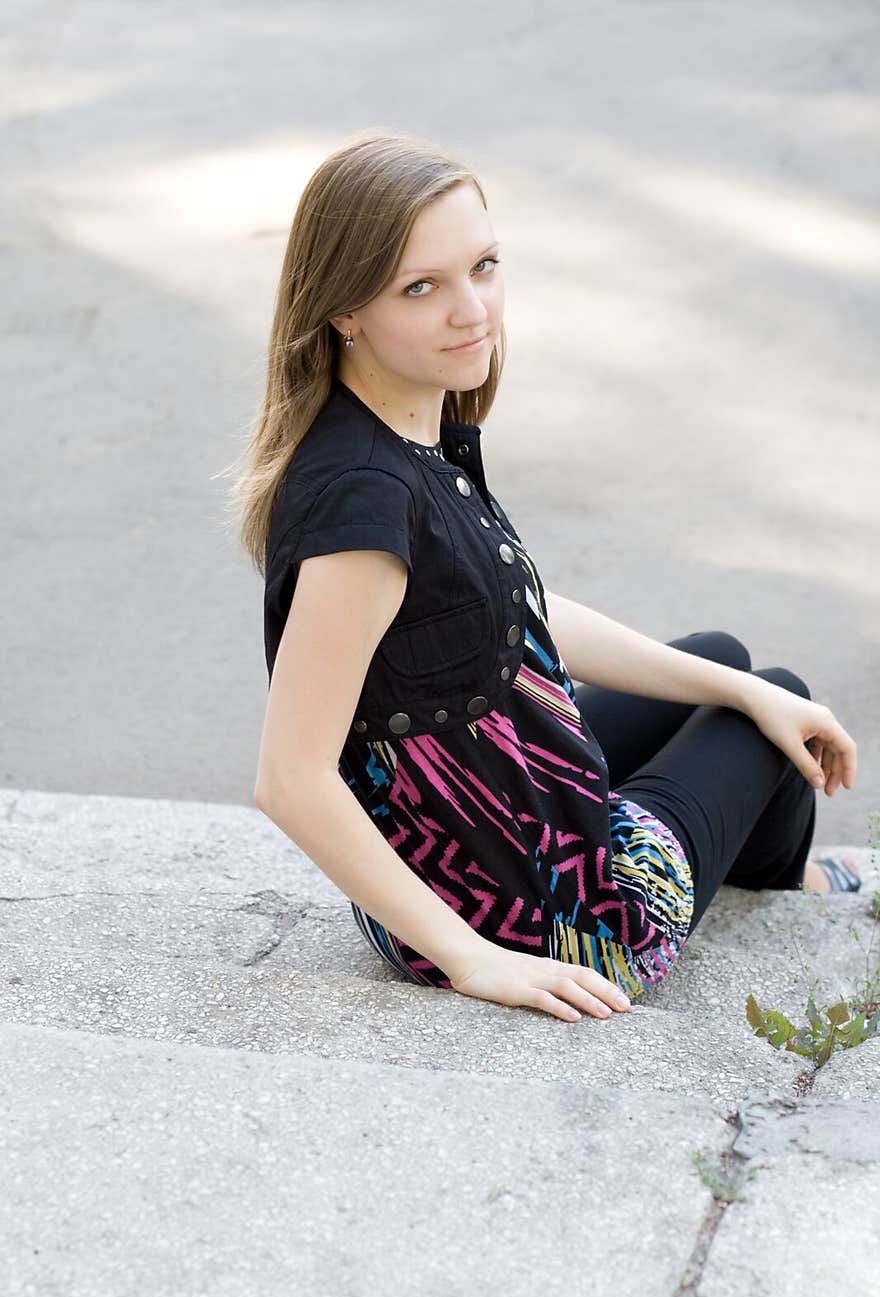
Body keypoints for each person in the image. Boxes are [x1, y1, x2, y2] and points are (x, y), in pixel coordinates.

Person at [231, 131, 860, 1025]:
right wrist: (474, 959)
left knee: (731, 667)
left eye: (483, 266)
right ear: (343, 311)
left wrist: (734, 687)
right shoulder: (364, 509)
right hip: (552, 919)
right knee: (778, 700)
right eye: (421, 287)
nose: (472, 310)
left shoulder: (396, 429)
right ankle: (783, 879)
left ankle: (750, 818)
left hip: (474, 824)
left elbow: (507, 612)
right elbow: (289, 779)